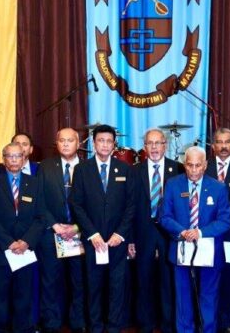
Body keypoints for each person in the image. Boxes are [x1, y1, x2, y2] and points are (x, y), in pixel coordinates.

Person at [68, 124, 135, 333]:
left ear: (114, 144)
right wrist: (92, 234)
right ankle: (95, 327)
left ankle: (114, 327)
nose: (105, 145)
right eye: (101, 141)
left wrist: (120, 234)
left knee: (117, 287)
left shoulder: (125, 169)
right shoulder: (82, 169)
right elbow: (76, 204)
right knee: (93, 287)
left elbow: (131, 205)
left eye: (109, 141)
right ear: (94, 143)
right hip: (93, 241)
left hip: (116, 241)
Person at [160, 146, 230, 333]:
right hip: (181, 248)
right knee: (182, 298)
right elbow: (164, 217)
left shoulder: (218, 188)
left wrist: (200, 232)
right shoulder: (173, 184)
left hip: (209, 250)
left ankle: (208, 330)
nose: (193, 170)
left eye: (197, 165)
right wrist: (182, 231)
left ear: (205, 165)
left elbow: (225, 221)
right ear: (184, 165)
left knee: (209, 296)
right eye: (189, 165)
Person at [0, 142, 45, 333]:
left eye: (18, 156)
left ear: (25, 158)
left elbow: (41, 217)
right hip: (2, 251)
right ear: (4, 159)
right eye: (10, 156)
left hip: (26, 251)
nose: (14, 159)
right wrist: (9, 242)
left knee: (24, 295)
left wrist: (26, 241)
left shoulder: (35, 183)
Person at [131, 128, 184, 333]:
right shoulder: (134, 170)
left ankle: (168, 324)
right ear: (144, 147)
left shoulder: (178, 168)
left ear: (165, 145)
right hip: (142, 232)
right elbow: (130, 207)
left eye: (158, 143)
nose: (154, 147)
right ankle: (145, 324)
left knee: (168, 279)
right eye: (149, 143)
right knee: (143, 280)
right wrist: (130, 240)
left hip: (169, 233)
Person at [37, 128, 86, 333]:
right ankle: (51, 323)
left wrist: (76, 227)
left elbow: (94, 204)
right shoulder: (45, 167)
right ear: (56, 143)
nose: (66, 144)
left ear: (78, 143)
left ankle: (78, 323)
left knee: (79, 281)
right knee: (50, 282)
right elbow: (38, 200)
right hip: (52, 233)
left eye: (70, 140)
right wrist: (55, 225)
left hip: (80, 234)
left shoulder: (88, 167)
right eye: (61, 140)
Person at [204, 128, 230, 333]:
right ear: (213, 147)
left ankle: (227, 322)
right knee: (208, 280)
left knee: (229, 279)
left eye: (227, 142)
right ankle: (207, 320)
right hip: (206, 235)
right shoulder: (203, 168)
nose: (223, 146)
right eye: (219, 142)